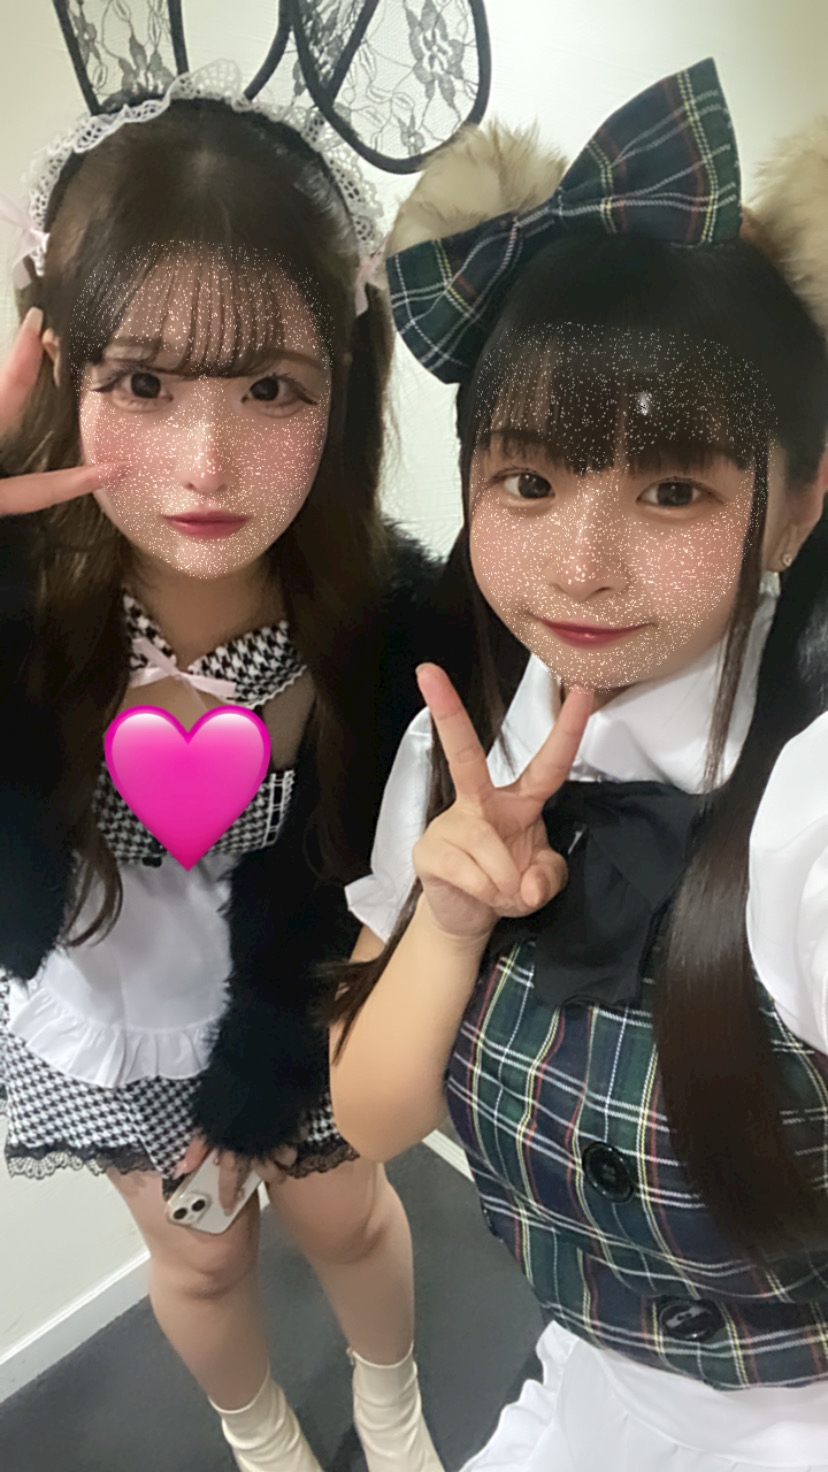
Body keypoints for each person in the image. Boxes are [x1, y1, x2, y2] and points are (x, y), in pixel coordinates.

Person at [329, 59, 828, 1470]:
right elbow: (369, 1114)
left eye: (674, 488)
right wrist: (450, 919)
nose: (583, 566)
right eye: (531, 482)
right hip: (582, 1380)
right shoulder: (462, 744)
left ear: (797, 507)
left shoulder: (808, 811)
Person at [0, 78, 450, 1472]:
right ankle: (262, 1442)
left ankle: (393, 1410)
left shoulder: (386, 624)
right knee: (200, 1259)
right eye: (142, 383)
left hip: (297, 988)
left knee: (344, 1215)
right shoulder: (22, 604)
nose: (207, 464)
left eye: (271, 388)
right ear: (62, 368)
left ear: (342, 385)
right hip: (110, 998)